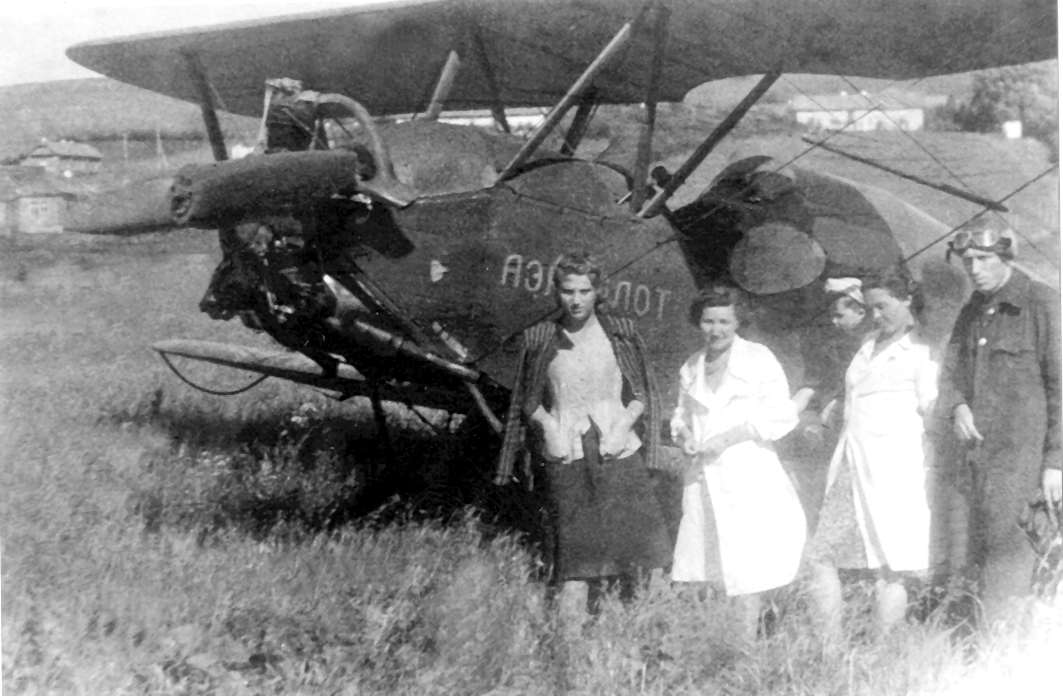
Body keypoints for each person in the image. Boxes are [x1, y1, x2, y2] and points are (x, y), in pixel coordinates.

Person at [493, 252, 671, 623]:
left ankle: (644, 631)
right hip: (567, 452)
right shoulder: (541, 336)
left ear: (598, 292)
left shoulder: (621, 332)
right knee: (574, 558)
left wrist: (624, 425)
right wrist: (548, 427)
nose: (576, 300)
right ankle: (568, 643)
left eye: (584, 291)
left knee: (646, 550)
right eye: (568, 291)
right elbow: (525, 398)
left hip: (618, 451)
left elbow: (643, 392)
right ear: (556, 292)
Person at [939, 216, 1062, 624]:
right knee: (969, 556)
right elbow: (950, 375)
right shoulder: (973, 310)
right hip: (975, 462)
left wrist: (1056, 461)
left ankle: (1000, 648)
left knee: (1011, 560)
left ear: (1006, 256)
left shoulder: (1042, 304)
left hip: (1020, 463)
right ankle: (970, 640)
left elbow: (1061, 387)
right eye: (967, 261)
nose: (974, 269)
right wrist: (957, 406)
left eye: (983, 259)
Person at [807, 268, 938, 642]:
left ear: (907, 300)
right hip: (851, 465)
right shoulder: (867, 345)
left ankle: (880, 657)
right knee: (820, 555)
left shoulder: (923, 350)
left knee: (891, 566)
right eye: (871, 308)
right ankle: (829, 652)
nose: (876, 315)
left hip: (894, 472)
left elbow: (933, 412)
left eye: (883, 306)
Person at [670, 286, 805, 639]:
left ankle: (744, 647)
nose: (716, 330)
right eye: (708, 321)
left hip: (748, 474)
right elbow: (680, 415)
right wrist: (684, 436)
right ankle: (715, 644)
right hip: (703, 477)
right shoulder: (692, 365)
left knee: (746, 569)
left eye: (724, 322)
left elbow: (780, 415)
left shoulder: (758, 358)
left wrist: (729, 438)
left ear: (737, 322)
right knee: (706, 566)